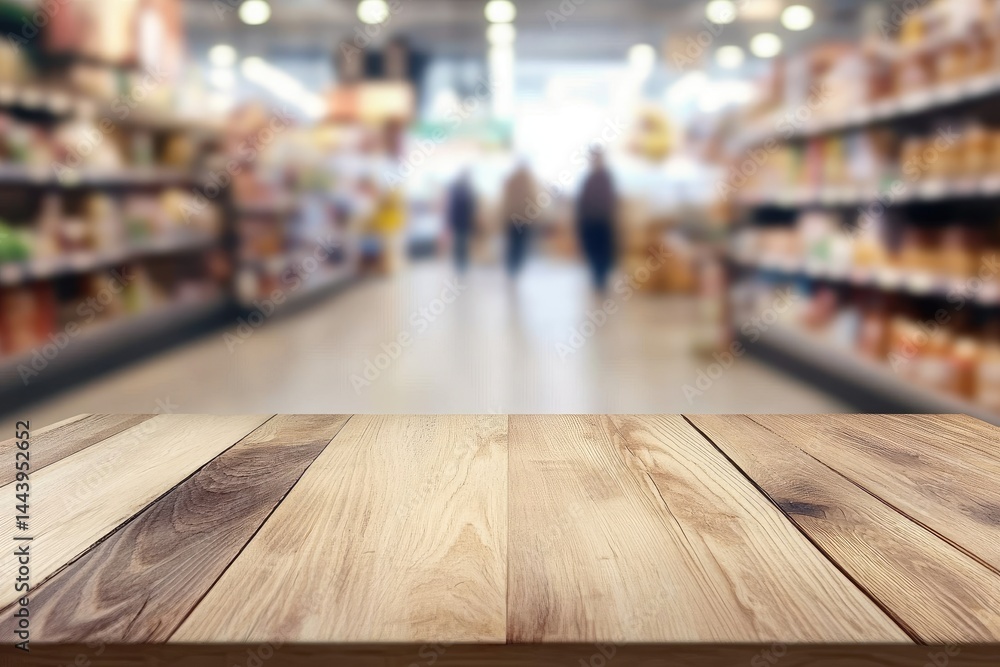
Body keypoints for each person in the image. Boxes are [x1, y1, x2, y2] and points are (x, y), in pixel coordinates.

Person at [576, 147, 618, 292]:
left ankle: (601, 279)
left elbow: (610, 201)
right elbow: (582, 201)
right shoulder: (589, 179)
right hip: (589, 221)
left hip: (602, 221)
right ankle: (597, 278)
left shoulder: (605, 177)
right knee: (592, 251)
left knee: (603, 252)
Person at [502, 161, 538, 278]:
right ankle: (515, 269)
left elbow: (506, 199)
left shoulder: (512, 180)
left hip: (512, 218)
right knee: (520, 245)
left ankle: (512, 269)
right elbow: (534, 198)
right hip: (524, 217)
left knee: (513, 244)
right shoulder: (529, 180)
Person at [446, 168, 476, 273]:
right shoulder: (462, 189)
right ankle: (460, 265)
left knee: (462, 243)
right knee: (460, 243)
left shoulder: (464, 189)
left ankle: (461, 265)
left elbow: (471, 207)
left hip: (462, 221)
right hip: (460, 221)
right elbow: (452, 207)